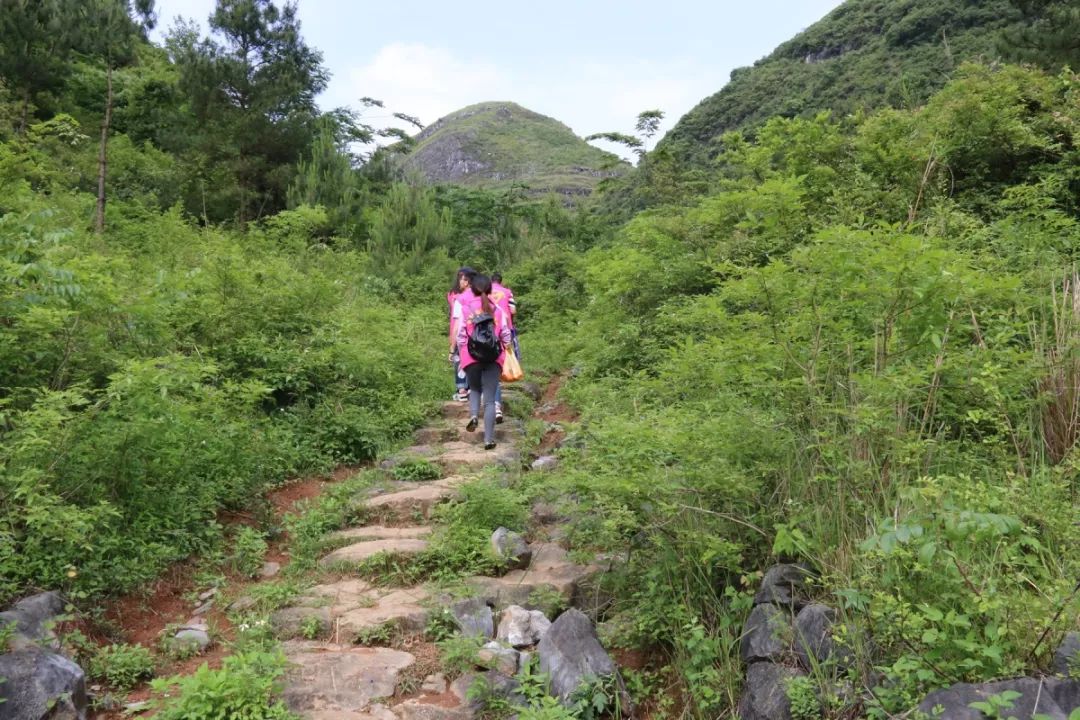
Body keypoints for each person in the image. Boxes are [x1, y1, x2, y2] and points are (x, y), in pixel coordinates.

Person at [455, 274, 512, 450]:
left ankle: (473, 415)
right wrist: (507, 350)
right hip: (493, 358)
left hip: (471, 358)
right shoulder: (497, 310)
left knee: (474, 389)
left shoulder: (467, 310)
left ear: (472, 289)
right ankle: (488, 439)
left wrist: (464, 354)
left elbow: (461, 336)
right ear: (490, 290)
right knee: (489, 400)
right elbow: (505, 335)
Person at [489, 272, 518, 423]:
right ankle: (503, 374)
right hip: (505, 327)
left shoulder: (485, 292)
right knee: (504, 355)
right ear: (501, 281)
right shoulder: (507, 292)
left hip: (487, 332)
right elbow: (512, 310)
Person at [447, 267, 476, 401]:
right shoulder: (481, 295)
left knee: (460, 361)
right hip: (477, 337)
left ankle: (462, 390)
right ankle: (472, 389)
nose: (459, 281)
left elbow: (457, 324)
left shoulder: (460, 298)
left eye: (462, 279)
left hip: (463, 337)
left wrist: (452, 348)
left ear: (467, 281)